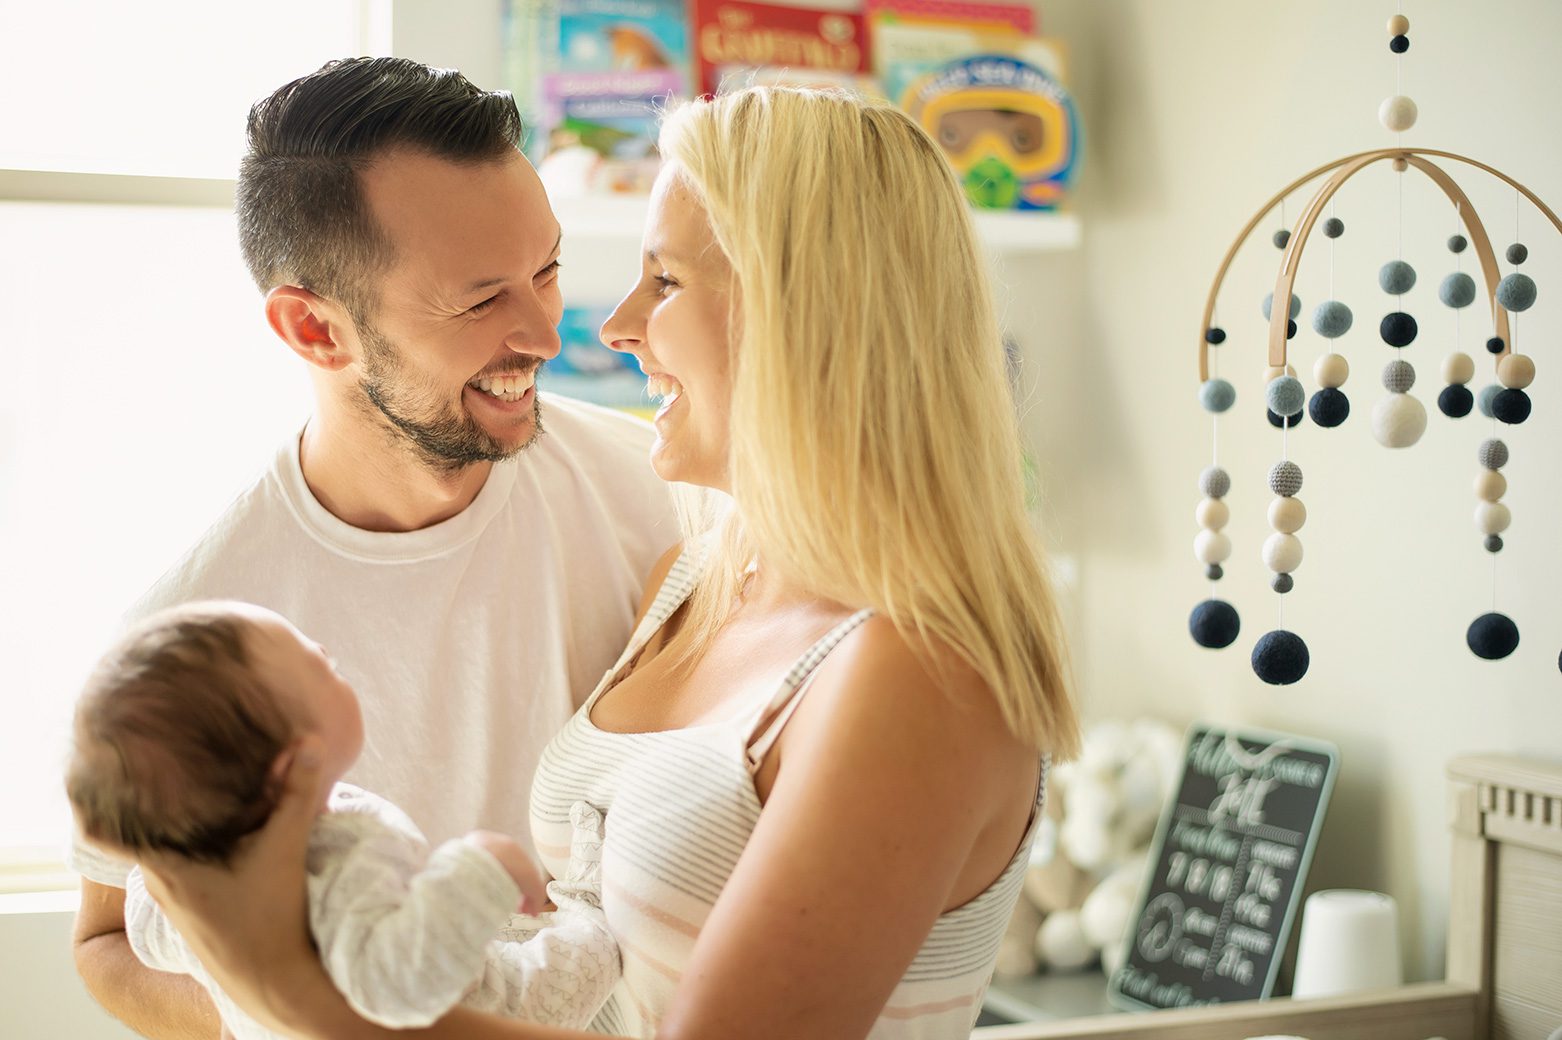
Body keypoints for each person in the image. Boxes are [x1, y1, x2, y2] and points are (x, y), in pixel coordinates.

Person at [135, 85, 1082, 1040]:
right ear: (315, 330)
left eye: (663, 282)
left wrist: (278, 982)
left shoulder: (918, 673)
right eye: (479, 295)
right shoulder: (698, 579)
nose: (604, 328)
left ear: (804, 317)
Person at [71, 58, 676, 1039]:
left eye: (548, 270)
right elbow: (110, 940)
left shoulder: (664, 499)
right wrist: (286, 1012)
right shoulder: (198, 632)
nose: (543, 331)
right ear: (313, 327)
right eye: (480, 301)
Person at [67, 601, 621, 1038]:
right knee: (582, 956)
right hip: (481, 1009)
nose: (327, 650)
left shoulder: (179, 897)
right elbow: (403, 981)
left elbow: (144, 931)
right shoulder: (337, 865)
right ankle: (592, 908)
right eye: (319, 666)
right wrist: (480, 866)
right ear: (294, 764)